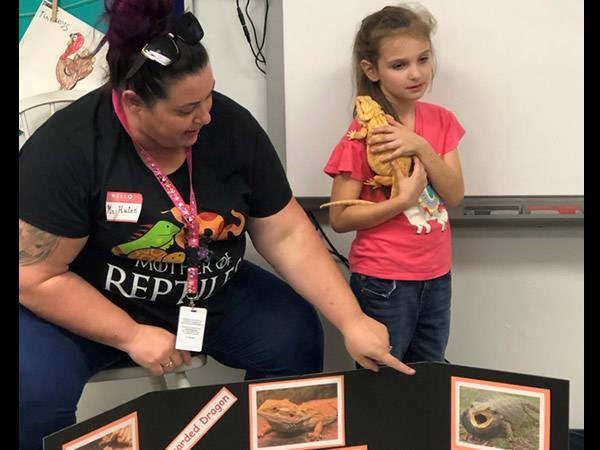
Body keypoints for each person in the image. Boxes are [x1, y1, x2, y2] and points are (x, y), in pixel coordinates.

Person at [18, 1, 415, 449]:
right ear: (133, 102)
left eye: (209, 96)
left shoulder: (230, 127)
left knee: (295, 335)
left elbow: (284, 233)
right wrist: (130, 334)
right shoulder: (68, 148)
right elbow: (35, 276)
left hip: (205, 290)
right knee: (32, 392)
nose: (206, 116)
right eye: (188, 108)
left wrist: (352, 320)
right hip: (88, 302)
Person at [323, 4, 465, 366]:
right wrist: (400, 202)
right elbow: (340, 218)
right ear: (371, 70)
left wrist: (420, 147)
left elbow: (454, 194)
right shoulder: (362, 134)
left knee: (430, 368)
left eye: (423, 59)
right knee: (383, 375)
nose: (416, 73)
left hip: (436, 275)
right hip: (383, 280)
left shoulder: (442, 121)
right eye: (399, 65)